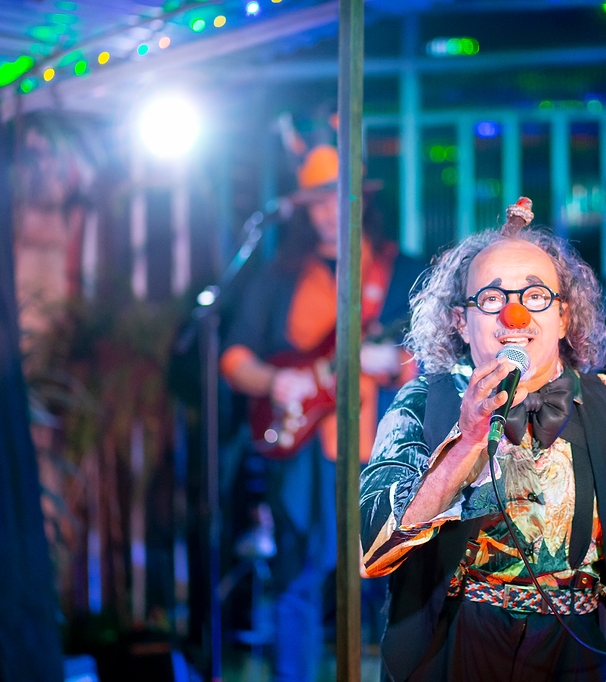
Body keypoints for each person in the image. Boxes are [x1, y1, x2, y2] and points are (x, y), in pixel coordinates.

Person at [359, 198, 606, 682]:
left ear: (564, 316)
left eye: (535, 296)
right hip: (455, 640)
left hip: (574, 646)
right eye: (491, 299)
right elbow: (374, 548)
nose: (515, 316)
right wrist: (466, 442)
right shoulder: (421, 403)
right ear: (460, 321)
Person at [219, 143, 421, 682]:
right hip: (306, 453)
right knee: (299, 576)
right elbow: (233, 356)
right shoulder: (278, 275)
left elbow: (440, 354)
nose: (329, 212)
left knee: (394, 578)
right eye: (317, 202)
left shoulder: (401, 270)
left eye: (338, 198)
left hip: (388, 448)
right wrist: (274, 380)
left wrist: (396, 362)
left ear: (362, 200)